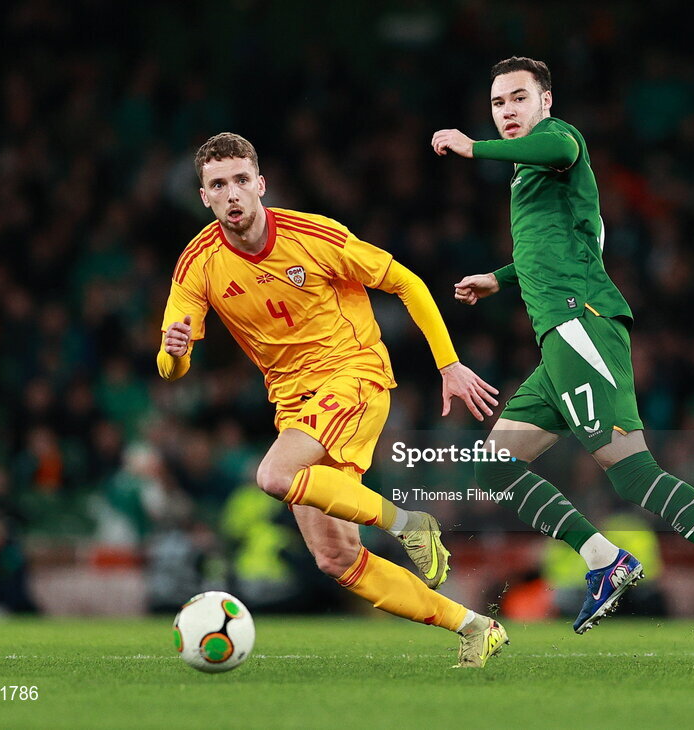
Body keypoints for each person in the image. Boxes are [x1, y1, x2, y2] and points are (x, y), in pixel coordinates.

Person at [432, 57, 694, 654]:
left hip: (581, 326)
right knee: (493, 466)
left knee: (630, 471)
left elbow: (555, 151)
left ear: (547, 101)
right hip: (557, 341)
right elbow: (561, 248)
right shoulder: (529, 176)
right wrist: (501, 278)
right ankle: (602, 560)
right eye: (498, 104)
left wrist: (474, 147)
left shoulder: (560, 140)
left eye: (519, 99)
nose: (508, 112)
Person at [157, 132, 507, 667]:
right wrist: (175, 353)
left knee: (273, 476)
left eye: (241, 181)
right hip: (295, 405)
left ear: (261, 185)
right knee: (336, 558)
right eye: (218, 184)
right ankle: (473, 625)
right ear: (204, 196)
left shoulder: (312, 236)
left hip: (353, 375)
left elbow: (407, 282)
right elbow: (170, 366)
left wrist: (448, 363)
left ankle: (410, 524)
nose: (232, 194)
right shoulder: (198, 264)